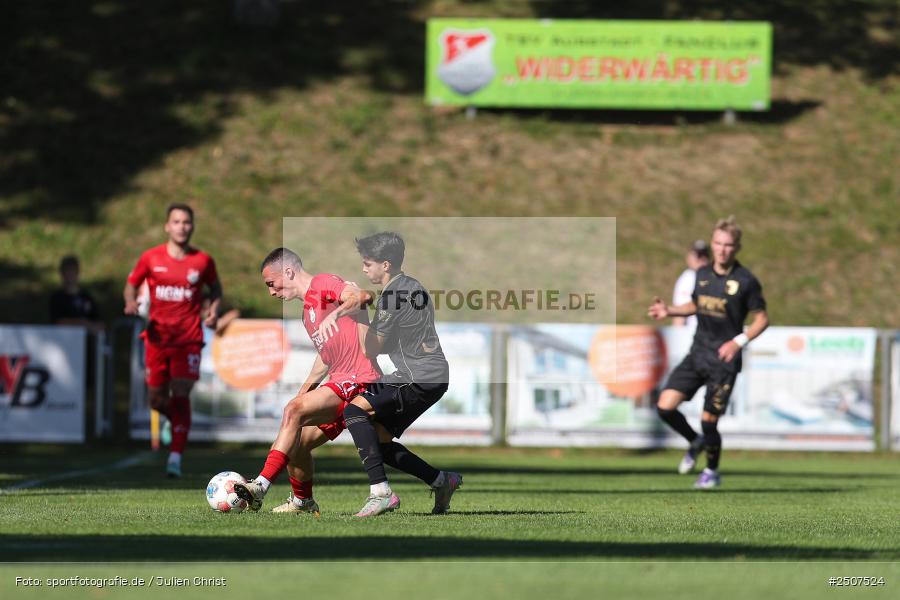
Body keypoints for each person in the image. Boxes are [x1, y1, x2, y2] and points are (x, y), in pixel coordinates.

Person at [235, 248, 454, 516]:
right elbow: (326, 359)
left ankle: (260, 485)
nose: (271, 292)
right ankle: (304, 501)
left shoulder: (323, 283)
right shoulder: (307, 312)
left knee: (294, 412)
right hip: (340, 381)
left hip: (358, 379)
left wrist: (335, 313)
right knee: (300, 443)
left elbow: (361, 296)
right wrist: (304, 392)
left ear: (288, 272)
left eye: (272, 283)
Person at [341, 232, 463, 517]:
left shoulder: (392, 295)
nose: (363, 269)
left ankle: (380, 492)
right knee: (378, 438)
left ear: (385, 265)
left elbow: (371, 348)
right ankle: (441, 481)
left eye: (367, 263)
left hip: (416, 375)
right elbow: (395, 342)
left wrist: (359, 312)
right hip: (431, 374)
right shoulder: (413, 287)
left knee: (354, 412)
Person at [647, 217, 768, 489]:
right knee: (665, 407)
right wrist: (670, 311)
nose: (722, 249)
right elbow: (696, 304)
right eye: (718, 243)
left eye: (728, 245)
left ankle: (712, 471)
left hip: (724, 362)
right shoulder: (701, 275)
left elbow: (762, 319)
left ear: (737, 247)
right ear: (712, 244)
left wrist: (738, 342)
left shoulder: (746, 281)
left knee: (709, 422)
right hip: (698, 353)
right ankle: (694, 441)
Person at [123, 203, 221, 478]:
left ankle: (175, 457)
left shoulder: (202, 261)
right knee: (156, 399)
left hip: (188, 338)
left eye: (186, 222)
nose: (182, 227)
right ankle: (173, 420)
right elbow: (131, 284)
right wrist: (131, 302)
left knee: (180, 390)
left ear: (192, 226)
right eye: (176, 222)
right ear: (167, 226)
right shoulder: (151, 258)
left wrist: (213, 310)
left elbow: (216, 288)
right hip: (157, 338)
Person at [50, 255, 104, 333]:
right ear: (62, 273)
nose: (70, 275)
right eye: (67, 271)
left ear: (78, 272)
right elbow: (58, 322)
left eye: (73, 271)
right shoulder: (57, 298)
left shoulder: (87, 298)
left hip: (85, 342)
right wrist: (82, 323)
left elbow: (99, 323)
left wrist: (91, 326)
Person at [671, 240, 710, 327]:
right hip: (693, 333)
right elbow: (679, 314)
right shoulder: (687, 279)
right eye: (698, 256)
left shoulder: (715, 277)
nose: (702, 259)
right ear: (689, 257)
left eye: (705, 255)